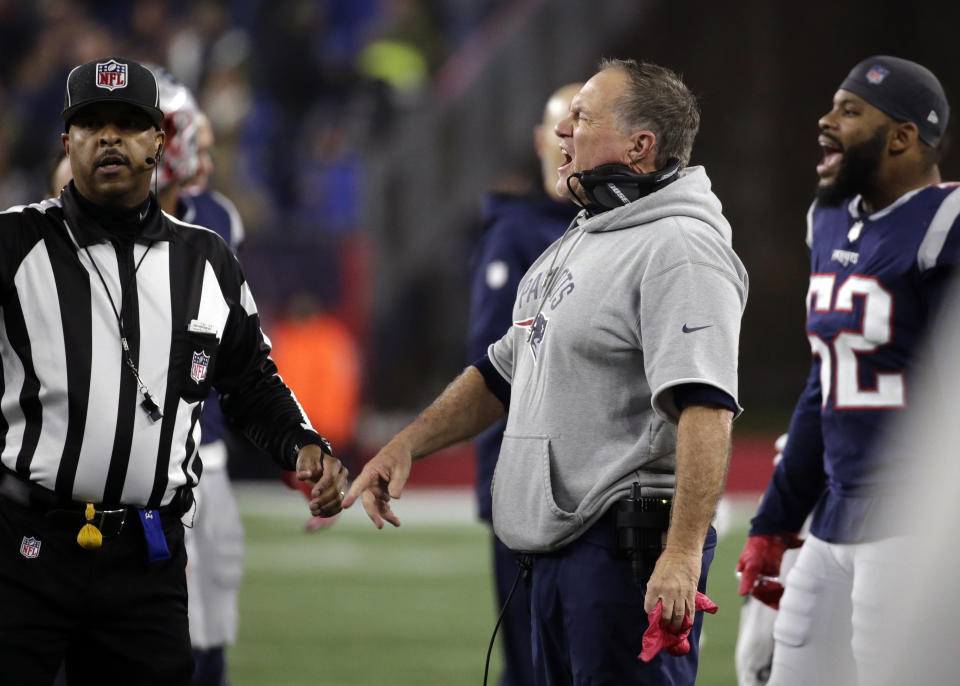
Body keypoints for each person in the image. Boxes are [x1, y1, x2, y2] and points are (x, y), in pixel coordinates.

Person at [346, 58, 748, 685]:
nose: (562, 131)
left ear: (640, 146)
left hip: (623, 555)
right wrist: (407, 445)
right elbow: (503, 369)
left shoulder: (679, 247)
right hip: (559, 553)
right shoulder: (586, 233)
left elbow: (706, 405)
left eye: (583, 117)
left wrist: (682, 553)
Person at [0, 56, 347, 686]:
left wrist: (303, 445)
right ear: (66, 141)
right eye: (92, 123)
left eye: (128, 124)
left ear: (159, 141)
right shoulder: (13, 246)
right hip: (25, 549)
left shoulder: (207, 258)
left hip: (146, 559)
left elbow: (250, 383)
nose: (109, 137)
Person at [736, 55, 959, 686]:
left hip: (911, 526)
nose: (825, 121)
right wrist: (776, 521)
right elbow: (824, 386)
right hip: (834, 520)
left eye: (850, 110)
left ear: (903, 136)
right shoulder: (829, 219)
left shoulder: (946, 225)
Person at [467, 81, 581, 686]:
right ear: (540, 140)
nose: (568, 145)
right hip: (527, 479)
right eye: (559, 131)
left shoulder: (613, 229)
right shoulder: (515, 236)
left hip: (596, 485)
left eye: (581, 130)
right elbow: (491, 367)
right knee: (534, 664)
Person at [149, 66, 247, 686]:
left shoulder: (217, 219)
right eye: (198, 147)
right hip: (140, 453)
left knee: (215, 604)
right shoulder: (97, 222)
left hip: (203, 442)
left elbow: (238, 342)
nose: (205, 164)